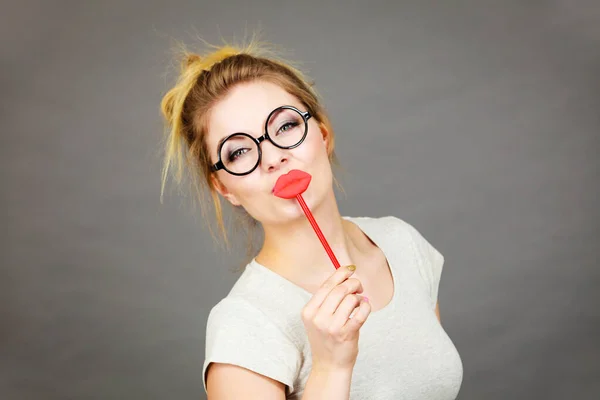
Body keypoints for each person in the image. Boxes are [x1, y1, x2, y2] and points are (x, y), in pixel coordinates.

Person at [159, 40, 463, 399]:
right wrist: (331, 367)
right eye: (239, 151)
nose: (272, 157)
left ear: (322, 134)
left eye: (285, 127)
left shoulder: (401, 243)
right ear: (224, 187)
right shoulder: (244, 324)